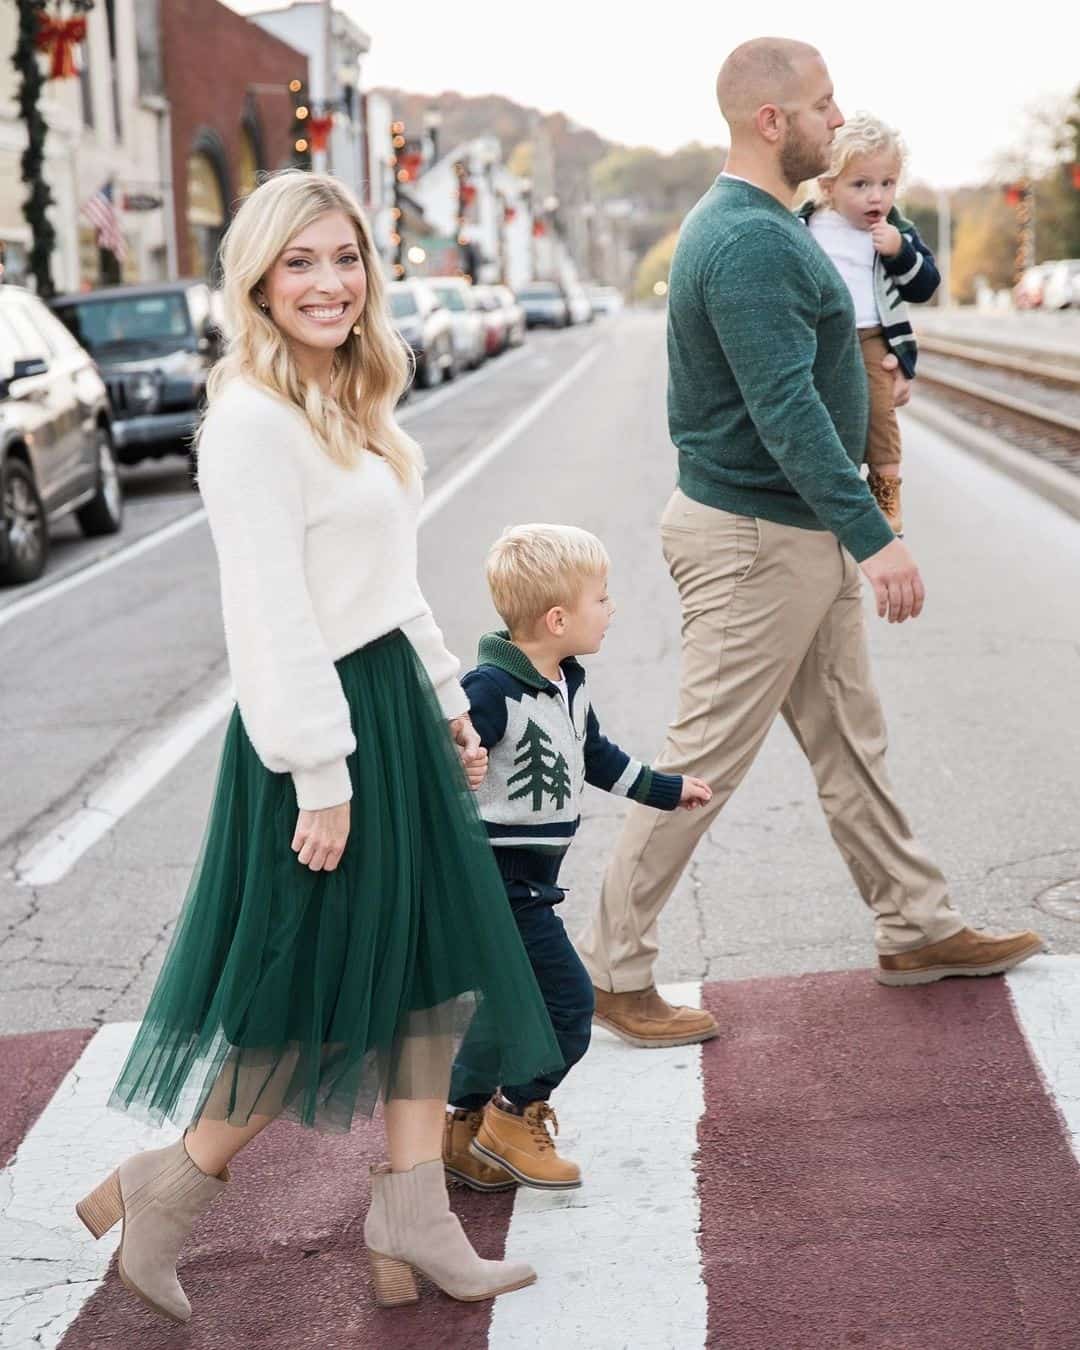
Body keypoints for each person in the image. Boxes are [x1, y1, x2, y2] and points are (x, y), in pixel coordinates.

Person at [73, 170, 563, 1322]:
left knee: (428, 976)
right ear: (257, 277)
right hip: (319, 733)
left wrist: (446, 695)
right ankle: (170, 1190)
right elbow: (270, 615)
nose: (329, 283)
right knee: (308, 990)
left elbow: (383, 585)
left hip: (387, 705)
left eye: (345, 259)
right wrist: (323, 774)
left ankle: (412, 1224)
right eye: (301, 262)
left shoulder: (345, 396)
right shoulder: (246, 420)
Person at [577, 38, 1043, 1046]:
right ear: (770, 121)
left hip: (791, 537)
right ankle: (612, 972)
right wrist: (876, 538)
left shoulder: (773, 225)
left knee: (849, 741)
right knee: (703, 758)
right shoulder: (747, 243)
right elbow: (785, 410)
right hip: (756, 543)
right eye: (825, 107)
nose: (841, 121)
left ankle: (915, 925)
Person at [442, 525, 712, 1192]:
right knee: (566, 1003)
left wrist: (665, 789)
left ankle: (457, 1132)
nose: (611, 608)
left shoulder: (566, 682)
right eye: (602, 598)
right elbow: (446, 746)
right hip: (497, 883)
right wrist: (462, 758)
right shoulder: (492, 689)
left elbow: (597, 758)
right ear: (556, 618)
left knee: (500, 1011)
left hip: (530, 881)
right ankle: (513, 1114)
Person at [797, 111, 940, 534]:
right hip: (821, 338)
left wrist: (900, 253)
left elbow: (924, 286)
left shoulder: (897, 230)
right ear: (828, 186)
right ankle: (829, 488)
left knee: (879, 414)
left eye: (887, 184)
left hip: (873, 337)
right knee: (824, 413)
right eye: (861, 185)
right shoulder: (806, 227)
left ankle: (885, 490)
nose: (876, 197)